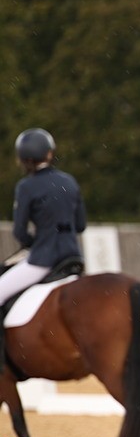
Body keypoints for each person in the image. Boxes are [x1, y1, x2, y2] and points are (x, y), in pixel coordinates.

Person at [6, 128, 87, 306]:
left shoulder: (26, 186)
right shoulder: (69, 181)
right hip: (73, 257)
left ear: (24, 159)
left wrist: (33, 242)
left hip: (43, 260)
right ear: (49, 154)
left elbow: (19, 231)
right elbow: (80, 225)